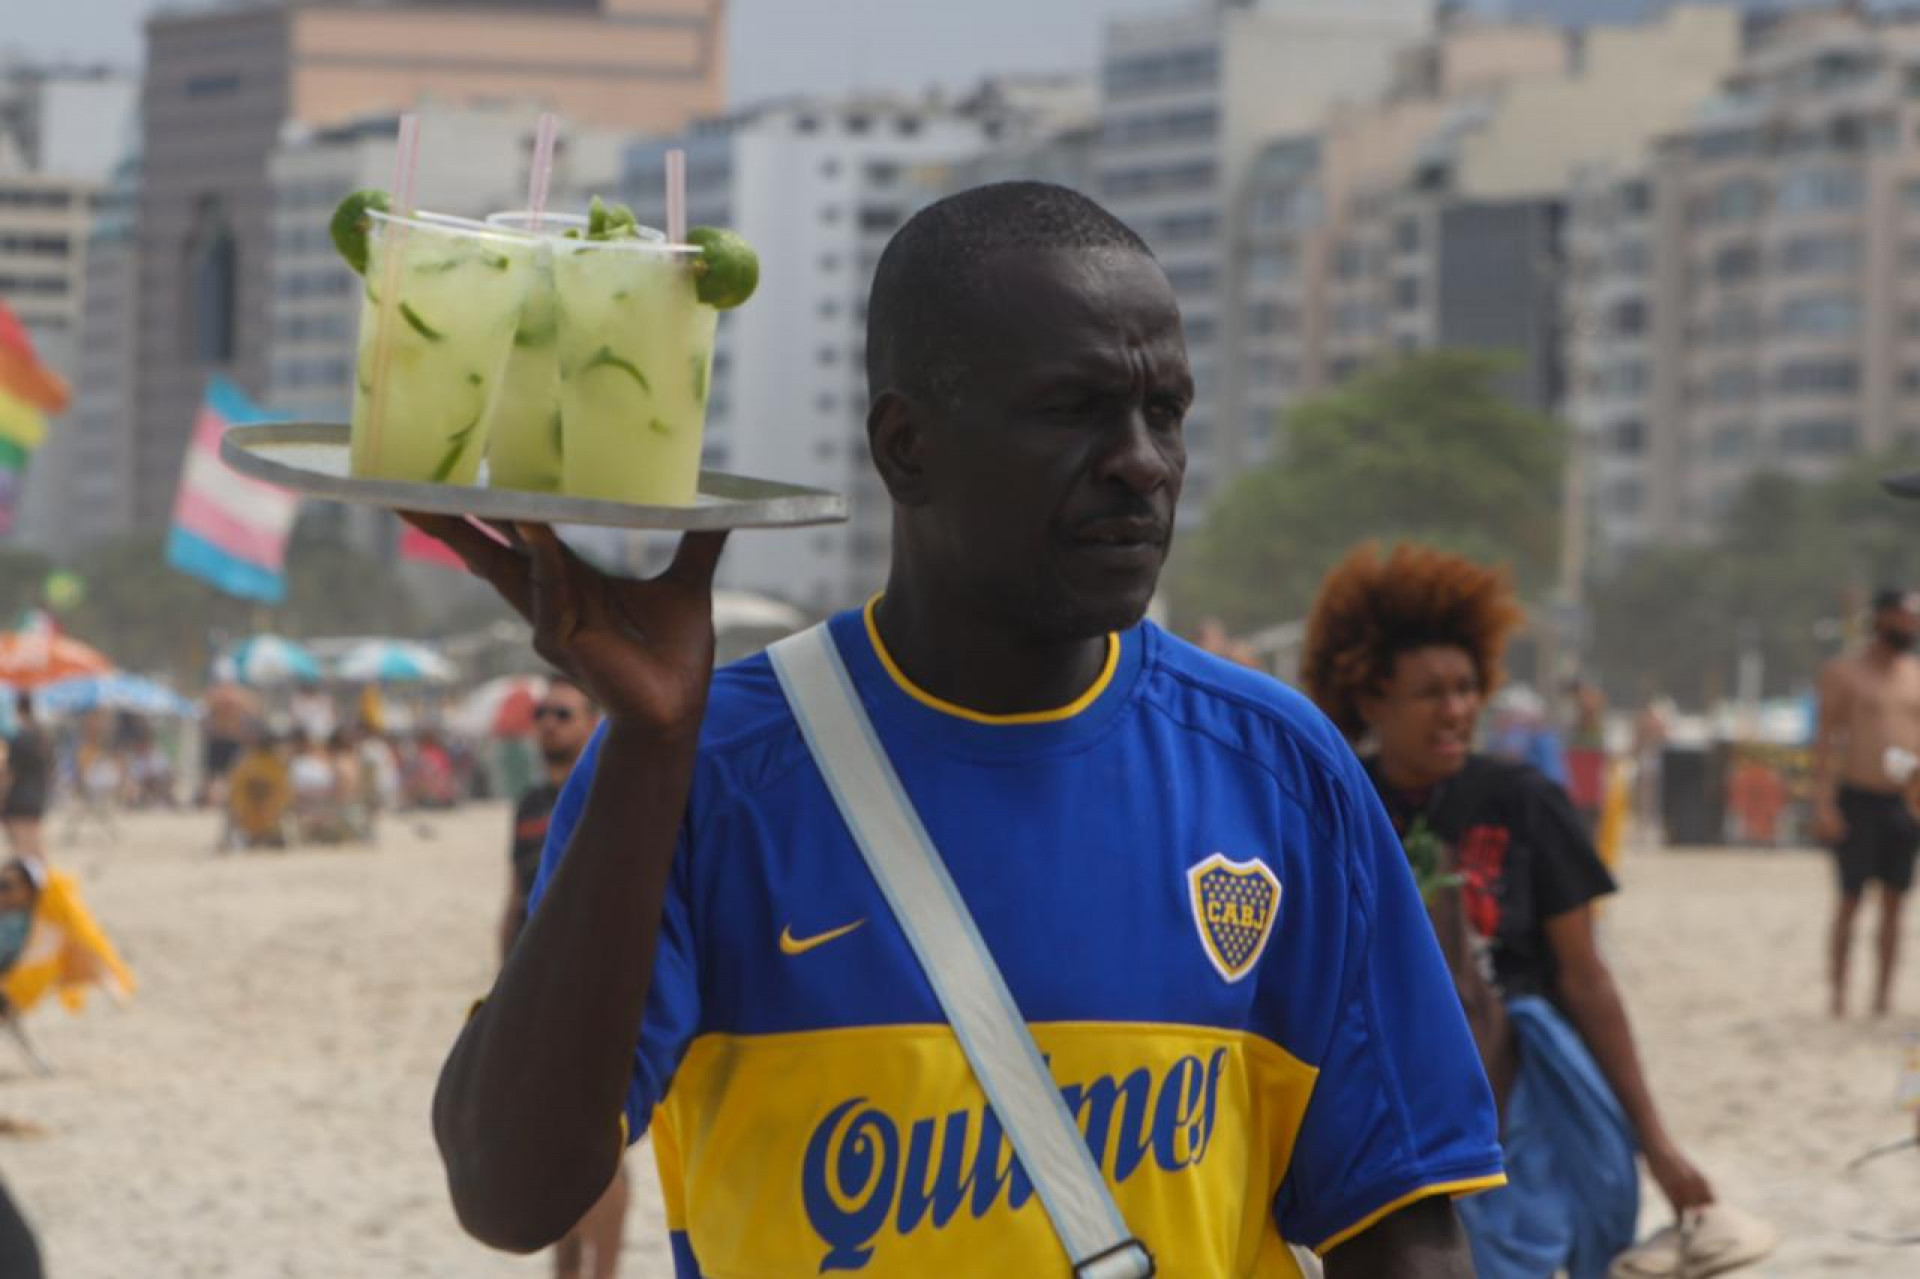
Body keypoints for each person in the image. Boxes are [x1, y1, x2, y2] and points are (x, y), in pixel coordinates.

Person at [415, 182, 1502, 1276]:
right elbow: (510, 1193)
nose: (1143, 462)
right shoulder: (711, 772)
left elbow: (1404, 1228)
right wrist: (650, 746)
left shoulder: (1279, 772)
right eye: (1073, 409)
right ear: (907, 448)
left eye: (1164, 411)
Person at [1301, 543, 1752, 1279]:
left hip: (1522, 1111)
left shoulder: (1523, 802)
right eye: (1431, 693)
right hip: (1381, 1112)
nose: (1457, 710)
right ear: (1370, 697)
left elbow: (1586, 979)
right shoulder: (1336, 807)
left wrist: (1657, 1143)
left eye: (1468, 687)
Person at [499, 675, 624, 1279]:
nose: (548, 722)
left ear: (593, 723)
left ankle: (605, 1271)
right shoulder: (527, 804)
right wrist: (501, 991)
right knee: (551, 1143)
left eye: (562, 713)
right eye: (542, 713)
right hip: (533, 993)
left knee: (605, 1145)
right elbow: (514, 901)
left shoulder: (609, 794)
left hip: (594, 989)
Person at [1812, 588, 1920, 1018]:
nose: (1910, 627)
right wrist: (1823, 803)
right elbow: (1824, 741)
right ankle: (1838, 997)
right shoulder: (1844, 672)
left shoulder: (1915, 673)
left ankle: (1882, 999)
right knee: (1849, 900)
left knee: (1896, 902)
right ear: (1881, 619)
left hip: (1904, 802)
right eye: (1904, 617)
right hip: (1856, 797)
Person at [0, 695, 51, 870]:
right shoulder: (42, 737)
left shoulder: (19, 739)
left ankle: (29, 889)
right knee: (36, 847)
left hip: (18, 799)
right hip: (37, 796)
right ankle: (46, 886)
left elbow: (9, 774)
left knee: (20, 848)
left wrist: (1, 797)